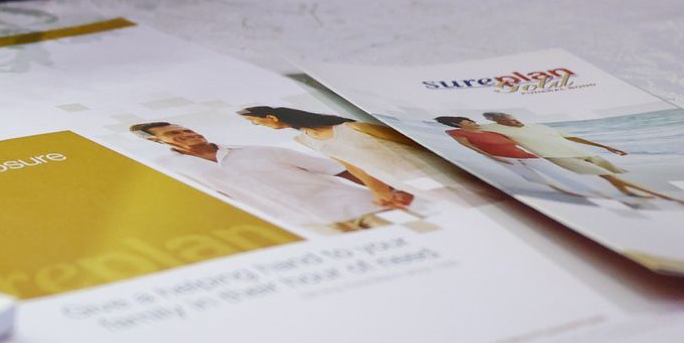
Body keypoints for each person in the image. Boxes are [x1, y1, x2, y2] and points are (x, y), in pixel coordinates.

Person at [130, 120, 408, 235]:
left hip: (360, 208)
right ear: (159, 142)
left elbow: (338, 169)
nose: (187, 135)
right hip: (302, 228)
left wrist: (389, 191)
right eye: (175, 134)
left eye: (187, 129)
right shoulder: (174, 170)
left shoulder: (261, 150)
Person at [241, 105, 477, 208]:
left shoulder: (353, 127)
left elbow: (412, 142)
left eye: (255, 121)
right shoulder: (304, 139)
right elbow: (351, 166)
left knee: (474, 195)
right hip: (402, 180)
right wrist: (379, 191)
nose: (256, 125)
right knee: (463, 204)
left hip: (429, 169)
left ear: (271, 117)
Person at [484, 112, 684, 207]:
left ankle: (627, 195)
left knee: (612, 175)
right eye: (506, 120)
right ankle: (667, 198)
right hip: (557, 157)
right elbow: (471, 129)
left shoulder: (539, 127)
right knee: (607, 175)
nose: (512, 121)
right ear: (500, 122)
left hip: (580, 151)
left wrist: (606, 146)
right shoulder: (497, 129)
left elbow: (571, 136)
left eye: (512, 117)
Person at [432, 116, 601, 198]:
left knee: (556, 172)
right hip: (503, 157)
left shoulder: (488, 128)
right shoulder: (455, 132)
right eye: (468, 122)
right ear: (458, 124)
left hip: (523, 154)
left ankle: (588, 191)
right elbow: (468, 146)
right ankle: (565, 193)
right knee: (532, 178)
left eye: (471, 120)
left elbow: (517, 138)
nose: (472, 122)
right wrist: (493, 157)